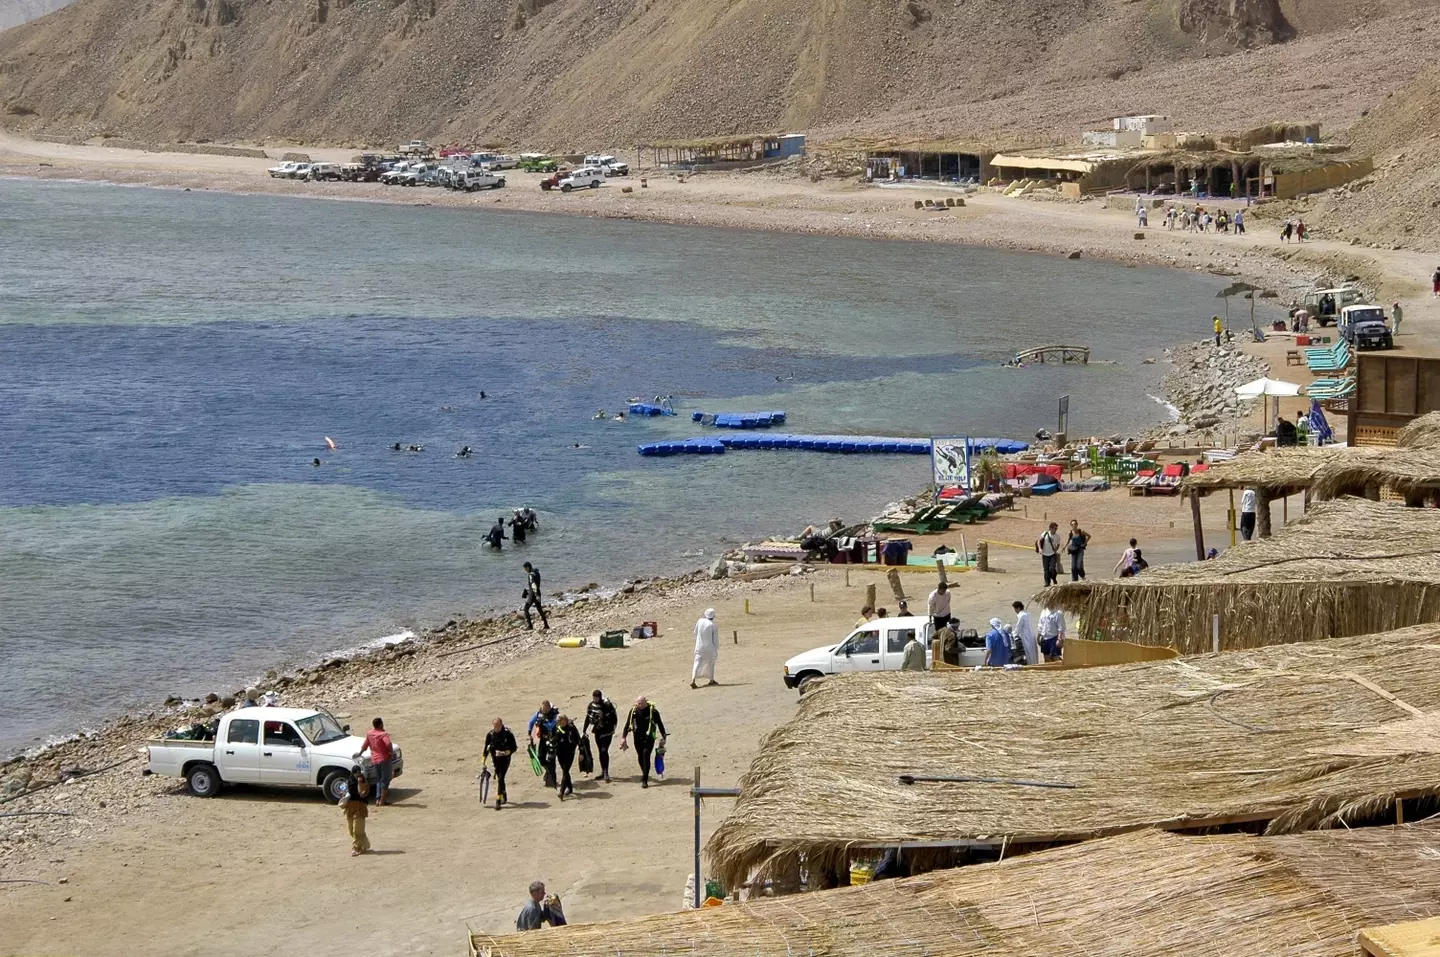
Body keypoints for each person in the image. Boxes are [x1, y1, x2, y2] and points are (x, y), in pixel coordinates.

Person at [620, 695, 667, 788]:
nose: (639, 705)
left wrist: (664, 735)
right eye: (638, 703)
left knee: (646, 754)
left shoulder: (653, 711)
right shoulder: (634, 711)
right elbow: (627, 725)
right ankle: (644, 772)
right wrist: (623, 737)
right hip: (637, 737)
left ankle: (645, 779)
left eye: (641, 703)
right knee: (640, 757)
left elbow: (660, 723)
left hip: (649, 738)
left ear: (646, 702)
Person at [354, 717, 394, 806]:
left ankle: (377, 799)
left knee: (379, 780)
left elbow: (365, 746)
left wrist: (360, 753)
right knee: (385, 780)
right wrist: (391, 752)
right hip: (384, 759)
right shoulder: (383, 734)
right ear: (381, 724)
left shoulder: (370, 734)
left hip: (375, 760)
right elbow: (388, 743)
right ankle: (382, 801)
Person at [582, 690, 618, 783]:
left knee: (604, 750)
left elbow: (614, 719)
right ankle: (603, 771)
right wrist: (584, 730)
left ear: (600, 697)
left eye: (596, 697)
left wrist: (604, 718)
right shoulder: (591, 705)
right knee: (600, 751)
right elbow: (588, 717)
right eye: (593, 697)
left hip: (607, 731)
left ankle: (606, 772)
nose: (595, 699)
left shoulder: (607, 705)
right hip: (598, 731)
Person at [483, 717, 517, 810]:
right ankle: (504, 794)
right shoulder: (490, 735)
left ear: (502, 725)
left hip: (505, 759)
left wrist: (506, 752)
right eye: (495, 726)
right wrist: (483, 761)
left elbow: (514, 747)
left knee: (501, 778)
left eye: (498, 726)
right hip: (495, 760)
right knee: (500, 778)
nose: (496, 728)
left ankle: (498, 801)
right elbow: (486, 748)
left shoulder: (508, 734)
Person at [528, 700, 559, 790]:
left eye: (546, 709)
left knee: (551, 759)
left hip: (553, 740)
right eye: (543, 708)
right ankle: (549, 771)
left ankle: (552, 780)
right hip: (543, 739)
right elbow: (531, 721)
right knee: (540, 758)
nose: (544, 710)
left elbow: (551, 725)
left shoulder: (555, 714)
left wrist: (543, 722)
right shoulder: (539, 713)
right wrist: (529, 733)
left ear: (549, 708)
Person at [342, 765, 370, 855]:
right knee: (351, 829)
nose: (358, 774)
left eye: (359, 772)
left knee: (357, 829)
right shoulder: (348, 782)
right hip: (350, 807)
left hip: (360, 807)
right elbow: (343, 792)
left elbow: (362, 794)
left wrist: (359, 783)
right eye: (356, 772)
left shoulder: (364, 782)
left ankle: (356, 848)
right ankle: (364, 844)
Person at [553, 715, 580, 800]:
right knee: (565, 771)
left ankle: (561, 791)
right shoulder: (556, 728)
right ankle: (570, 787)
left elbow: (578, 738)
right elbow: (553, 738)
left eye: (563, 720)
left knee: (565, 771)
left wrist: (581, 750)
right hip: (560, 753)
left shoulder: (571, 728)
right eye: (560, 721)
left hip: (569, 753)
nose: (562, 722)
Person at [691, 608, 719, 689]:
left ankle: (693, 680)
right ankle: (711, 680)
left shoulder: (700, 621)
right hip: (709, 648)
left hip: (699, 647)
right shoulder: (713, 625)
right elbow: (715, 639)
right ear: (713, 617)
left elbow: (695, 632)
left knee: (697, 663)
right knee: (711, 663)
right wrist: (716, 649)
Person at [521, 561, 548, 631]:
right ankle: (546, 624)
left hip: (533, 594)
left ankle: (530, 626)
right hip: (538, 593)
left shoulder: (530, 575)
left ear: (528, 567)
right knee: (539, 609)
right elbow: (536, 585)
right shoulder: (537, 573)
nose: (524, 570)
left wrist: (534, 594)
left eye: (525, 568)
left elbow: (533, 585)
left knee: (526, 609)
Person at [1013, 601, 1039, 666]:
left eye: (1015, 609)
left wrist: (1013, 635)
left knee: (1029, 653)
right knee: (1033, 653)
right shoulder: (1028, 614)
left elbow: (1018, 628)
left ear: (1018, 608)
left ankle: (1031, 666)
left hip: (1026, 637)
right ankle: (1035, 665)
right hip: (1032, 636)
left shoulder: (1021, 616)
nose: (1015, 611)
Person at [1036, 522, 1061, 586]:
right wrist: (1040, 549)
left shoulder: (1057, 536)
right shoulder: (1045, 533)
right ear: (1050, 528)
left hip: (1052, 554)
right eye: (1054, 528)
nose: (1055, 530)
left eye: (1056, 529)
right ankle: (1047, 582)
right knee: (1046, 570)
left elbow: (1058, 544)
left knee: (1052, 569)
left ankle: (1054, 578)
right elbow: (1039, 541)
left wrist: (1056, 550)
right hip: (1045, 554)